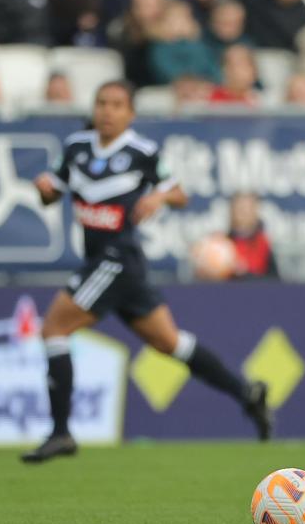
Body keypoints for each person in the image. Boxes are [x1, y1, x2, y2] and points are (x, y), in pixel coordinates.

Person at [21, 81, 272, 463]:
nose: (107, 111)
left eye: (117, 105)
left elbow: (180, 193)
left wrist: (159, 195)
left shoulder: (142, 152)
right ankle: (246, 393)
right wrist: (43, 188)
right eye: (101, 103)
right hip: (114, 265)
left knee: (54, 328)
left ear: (130, 114)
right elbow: (52, 192)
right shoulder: (75, 148)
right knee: (170, 343)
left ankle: (60, 433)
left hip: (115, 259)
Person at [147, 0, 219, 85]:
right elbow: (167, 72)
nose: (180, 23)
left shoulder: (200, 45)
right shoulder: (159, 48)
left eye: (185, 18)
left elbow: (212, 69)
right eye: (174, 19)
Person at [228, 192, 279, 278]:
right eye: (240, 209)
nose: (244, 213)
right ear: (232, 211)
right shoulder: (224, 244)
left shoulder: (263, 244)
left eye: (248, 209)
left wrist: (246, 274)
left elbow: (275, 282)